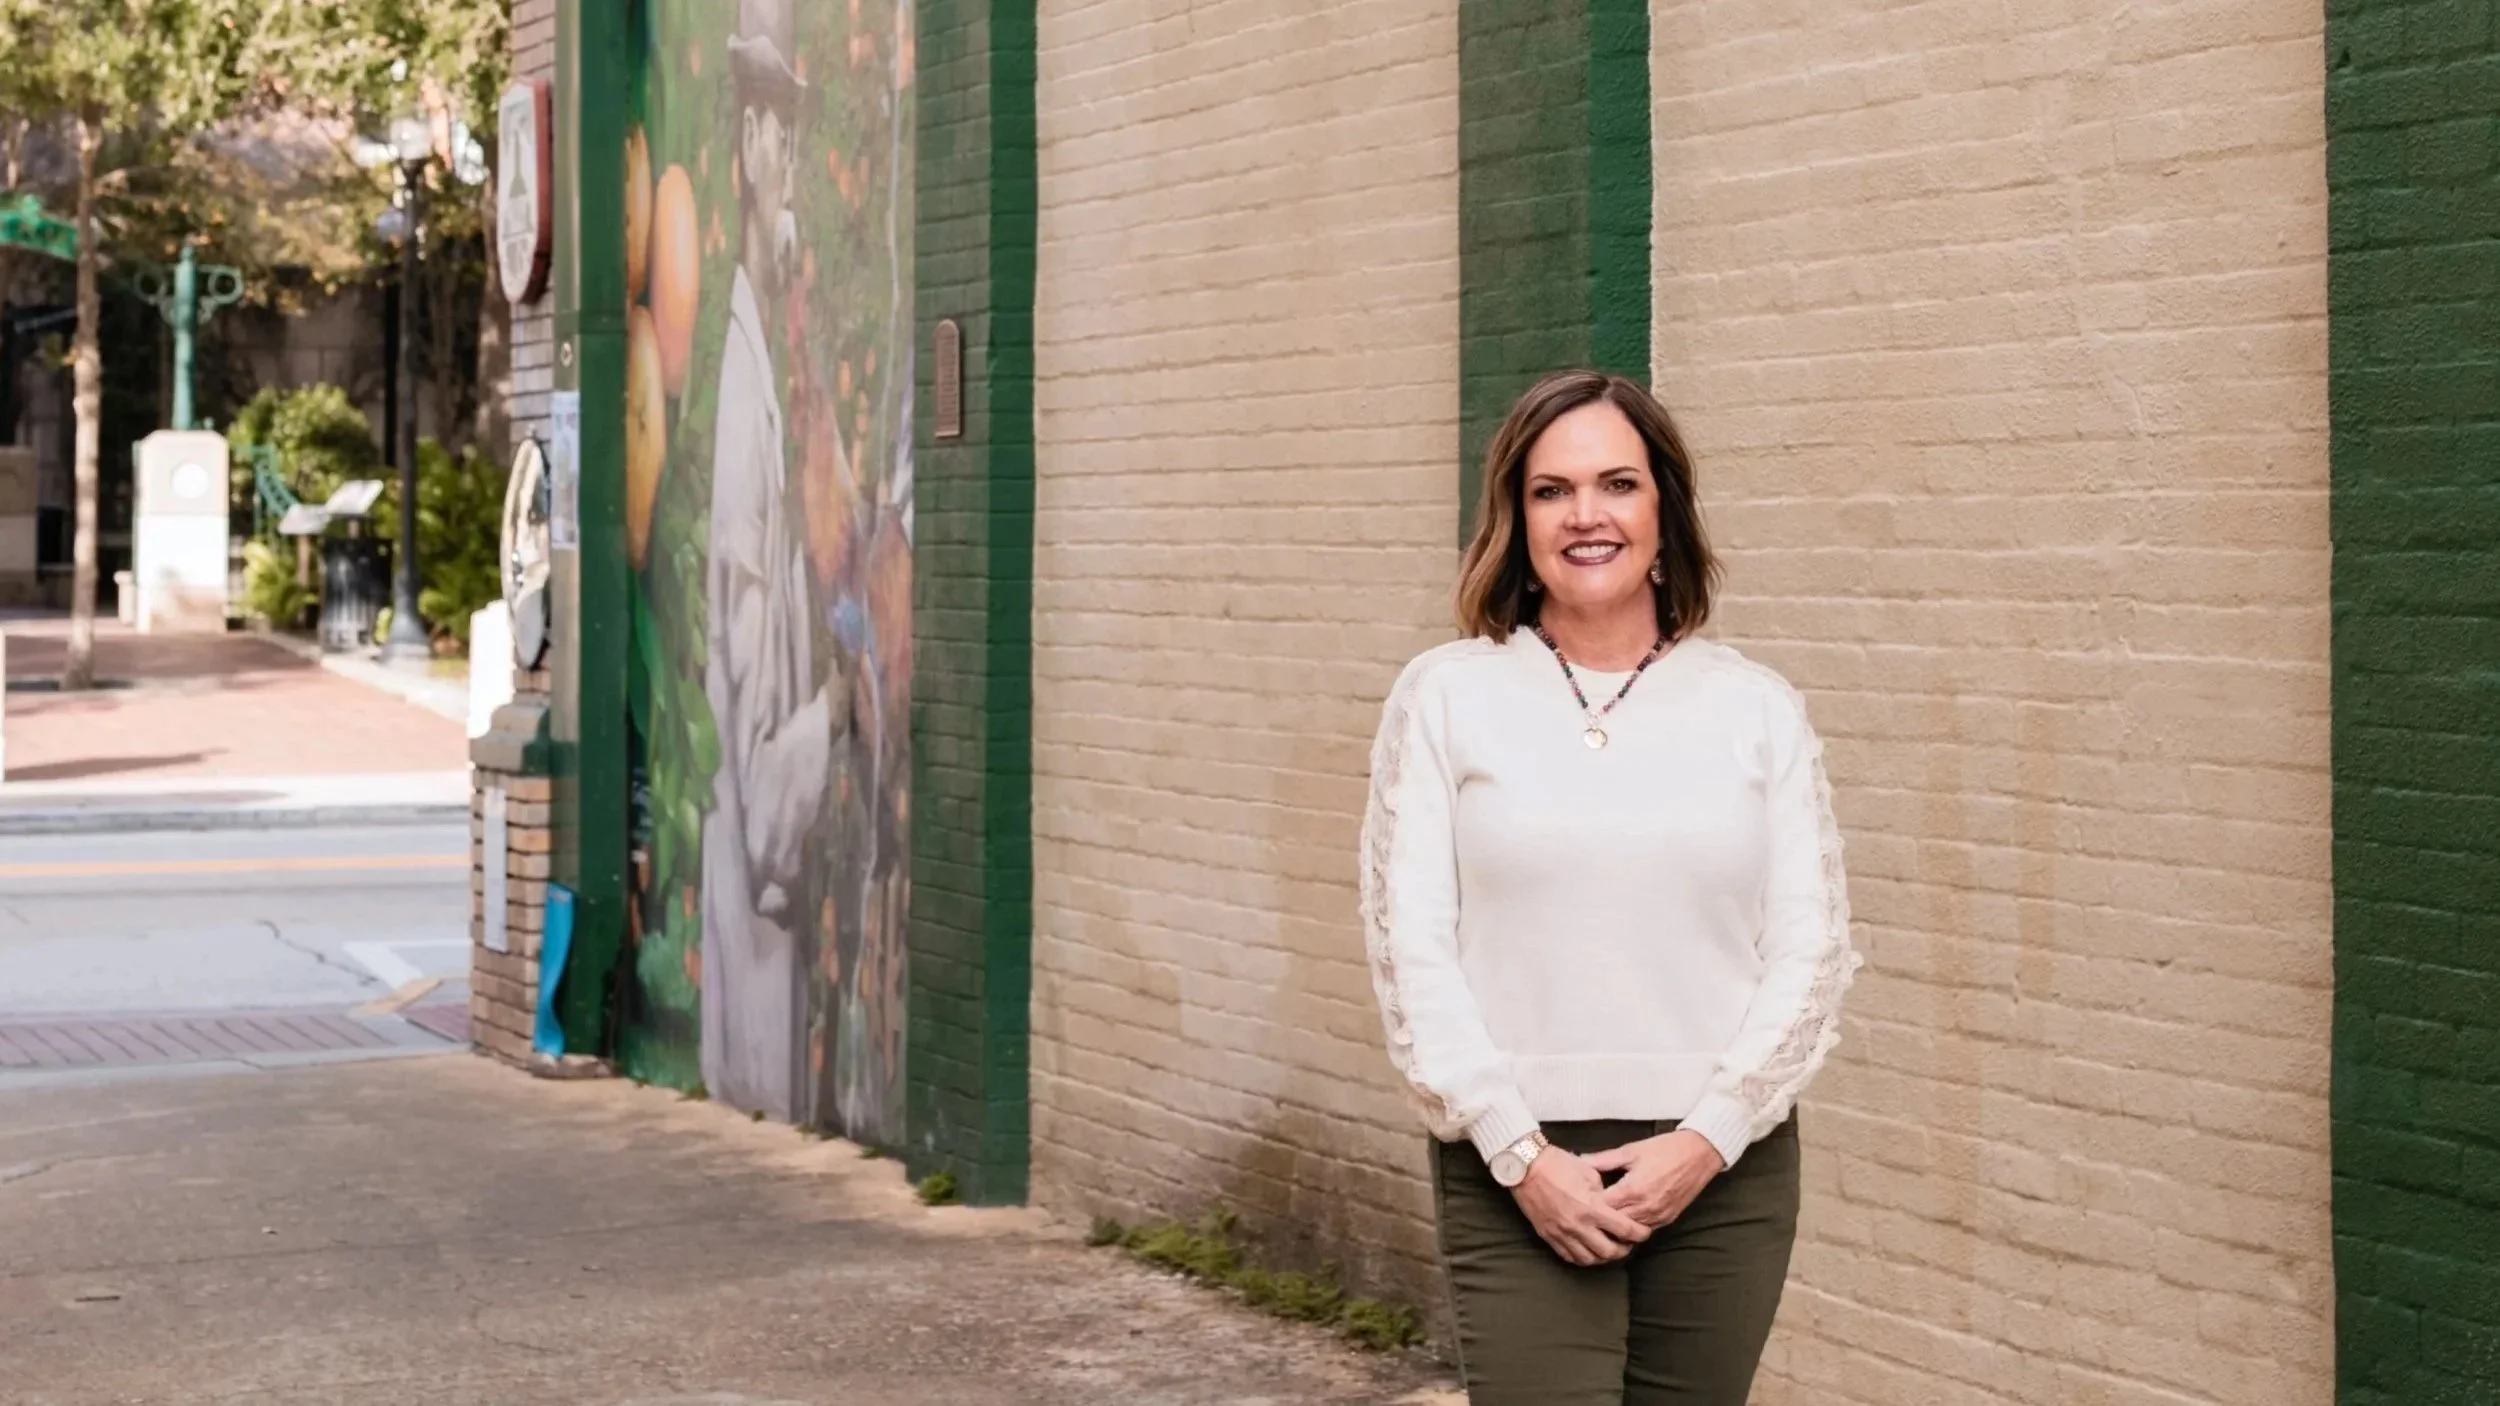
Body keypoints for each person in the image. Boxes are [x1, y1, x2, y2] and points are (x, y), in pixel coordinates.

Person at [1359, 370, 1860, 1404]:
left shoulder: (1755, 709)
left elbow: (1808, 952)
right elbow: (1412, 949)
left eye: (1617, 483)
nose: (1586, 514)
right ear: (1515, 517)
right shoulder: (1447, 695)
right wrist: (1516, 1149)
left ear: (1663, 510)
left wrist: (1707, 1136)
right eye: (1552, 490)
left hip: (1720, 1166)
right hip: (1516, 1166)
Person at [700, 0, 845, 1124]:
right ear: (745, 144)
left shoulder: (758, 344)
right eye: (769, 121)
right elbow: (759, 790)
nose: (783, 150)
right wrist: (835, 711)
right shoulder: (740, 386)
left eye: (790, 121)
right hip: (754, 919)